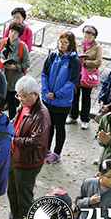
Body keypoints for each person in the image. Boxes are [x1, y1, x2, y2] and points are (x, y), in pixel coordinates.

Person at [6, 76, 51, 219]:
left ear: (35, 95)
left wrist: (15, 140)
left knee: (24, 198)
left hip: (28, 161)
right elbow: (16, 121)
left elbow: (36, 141)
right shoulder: (23, 106)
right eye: (19, 96)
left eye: (24, 97)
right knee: (12, 192)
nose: (21, 100)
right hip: (15, 156)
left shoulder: (41, 115)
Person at [41, 31, 81, 163]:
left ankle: (57, 152)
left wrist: (57, 94)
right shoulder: (53, 55)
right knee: (48, 125)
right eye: (60, 41)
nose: (61, 45)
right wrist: (46, 90)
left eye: (65, 42)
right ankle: (46, 148)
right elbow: (44, 73)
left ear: (71, 44)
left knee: (59, 127)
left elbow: (71, 82)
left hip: (62, 101)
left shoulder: (74, 61)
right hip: (48, 99)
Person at [66, 25, 103, 130]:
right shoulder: (79, 43)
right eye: (85, 36)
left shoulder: (97, 47)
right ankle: (73, 115)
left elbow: (99, 61)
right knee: (75, 95)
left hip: (88, 74)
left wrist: (87, 62)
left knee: (86, 97)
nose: (87, 39)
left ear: (94, 37)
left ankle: (85, 119)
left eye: (89, 37)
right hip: (78, 73)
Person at [0, 23, 30, 119]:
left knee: (12, 103)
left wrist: (15, 67)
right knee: (0, 101)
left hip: (14, 79)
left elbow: (27, 63)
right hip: (2, 75)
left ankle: (13, 122)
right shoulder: (2, 42)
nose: (12, 34)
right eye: (11, 31)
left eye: (15, 32)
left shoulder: (22, 47)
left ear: (19, 35)